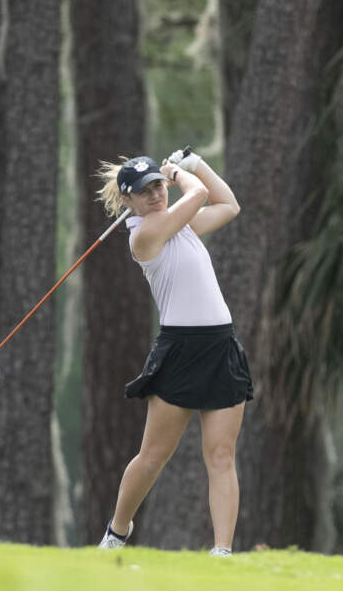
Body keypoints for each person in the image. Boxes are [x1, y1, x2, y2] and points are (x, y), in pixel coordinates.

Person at [94, 149, 252, 557]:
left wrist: (197, 165)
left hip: (220, 346)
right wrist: (182, 173)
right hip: (180, 350)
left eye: (158, 186)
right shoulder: (144, 236)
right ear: (127, 201)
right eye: (144, 191)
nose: (154, 195)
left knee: (221, 454)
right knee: (153, 456)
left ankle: (222, 552)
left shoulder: (180, 227)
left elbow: (229, 204)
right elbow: (198, 196)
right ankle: (117, 530)